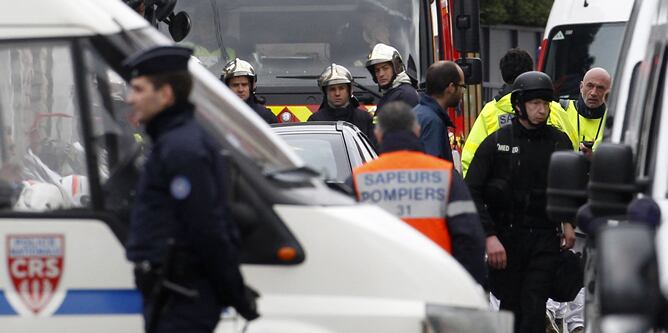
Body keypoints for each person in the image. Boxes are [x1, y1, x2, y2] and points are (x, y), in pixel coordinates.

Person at [123, 46, 259, 333]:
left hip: (183, 299)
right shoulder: (173, 140)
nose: (130, 98)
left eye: (138, 89)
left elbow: (208, 227)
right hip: (173, 294)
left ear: (166, 94)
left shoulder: (182, 149)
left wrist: (236, 294)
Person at [465, 71, 576, 333]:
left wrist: (568, 222)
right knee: (511, 307)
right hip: (506, 240)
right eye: (535, 103)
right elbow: (472, 191)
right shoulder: (497, 143)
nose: (542, 110)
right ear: (519, 106)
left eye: (546, 104)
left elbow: (570, 188)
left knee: (534, 305)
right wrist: (489, 236)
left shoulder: (559, 141)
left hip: (545, 237)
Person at [351, 101, 486, 285]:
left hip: (381, 287)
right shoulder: (445, 175)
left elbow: (345, 243)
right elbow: (469, 239)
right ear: (416, 130)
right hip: (435, 284)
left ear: (378, 135)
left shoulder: (359, 180)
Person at [461, 48, 577, 177]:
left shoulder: (489, 112)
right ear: (531, 72)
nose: (541, 109)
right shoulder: (554, 108)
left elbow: (470, 159)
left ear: (504, 75)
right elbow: (573, 150)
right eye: (535, 103)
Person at [308, 64, 375, 143]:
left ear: (349, 91)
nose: (337, 93)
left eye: (341, 88)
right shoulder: (315, 121)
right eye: (332, 89)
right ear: (325, 92)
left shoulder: (364, 119)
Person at [413, 61, 464, 163]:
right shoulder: (433, 122)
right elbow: (433, 170)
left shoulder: (416, 113)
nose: (462, 92)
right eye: (462, 87)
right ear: (451, 88)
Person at [559, 67, 611, 159]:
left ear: (608, 92)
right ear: (581, 87)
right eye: (590, 86)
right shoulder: (561, 110)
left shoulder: (613, 120)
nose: (594, 93)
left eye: (600, 88)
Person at [366, 43, 420, 117]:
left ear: (396, 68)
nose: (381, 74)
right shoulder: (390, 94)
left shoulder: (406, 95)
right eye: (377, 70)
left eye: (385, 68)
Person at [222, 58, 278, 124]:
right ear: (227, 87)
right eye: (235, 85)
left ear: (251, 86)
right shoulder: (216, 114)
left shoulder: (264, 116)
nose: (240, 89)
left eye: (244, 84)